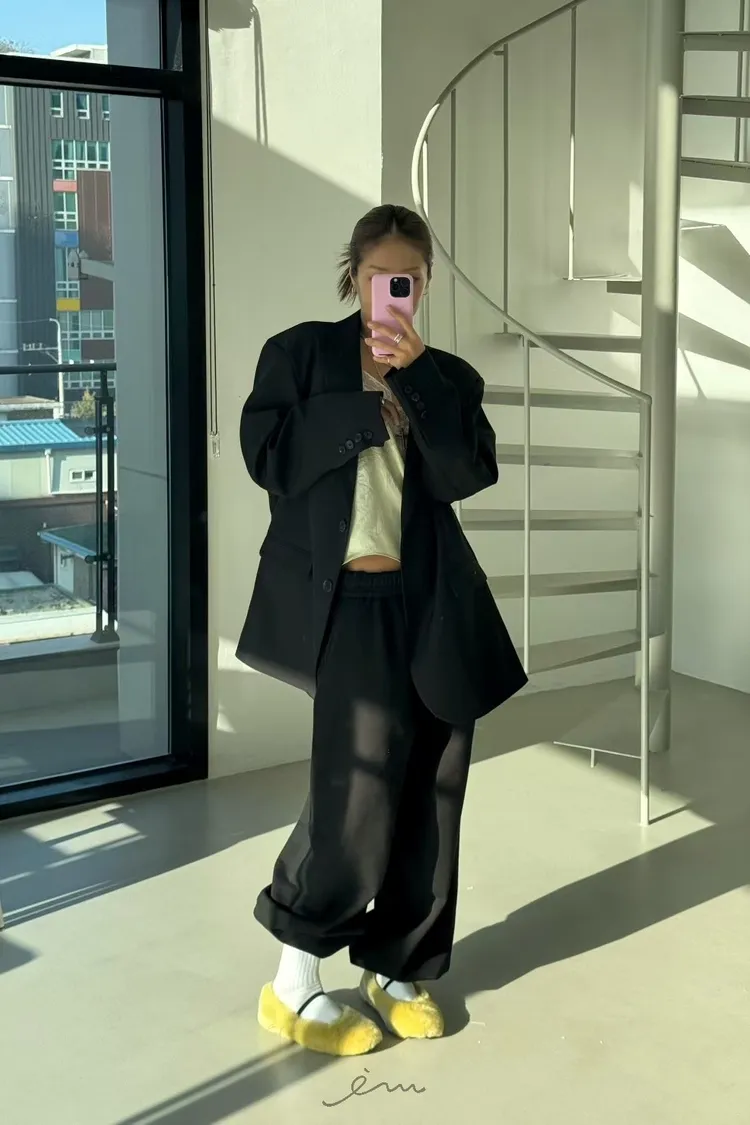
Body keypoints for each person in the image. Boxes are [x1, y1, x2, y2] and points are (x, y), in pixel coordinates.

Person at [238, 204, 527, 1056]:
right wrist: (369, 411)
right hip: (347, 605)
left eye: (410, 278)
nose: (393, 290)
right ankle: (293, 980)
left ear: (425, 283)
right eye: (379, 276)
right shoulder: (300, 354)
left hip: (434, 604)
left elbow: (467, 472)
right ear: (355, 274)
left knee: (436, 788)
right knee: (355, 792)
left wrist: (416, 381)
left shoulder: (448, 376)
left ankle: (397, 967)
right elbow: (268, 456)